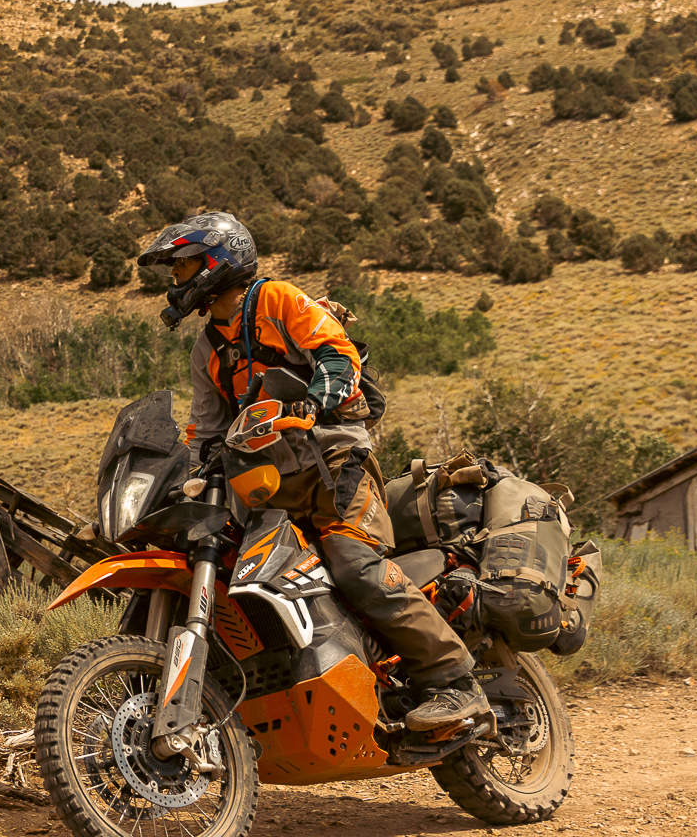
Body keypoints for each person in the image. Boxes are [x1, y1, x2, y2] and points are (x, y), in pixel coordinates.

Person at [135, 212, 488, 732]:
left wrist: (318, 400)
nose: (175, 278)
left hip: (336, 465)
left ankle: (454, 682)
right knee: (242, 577)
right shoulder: (207, 349)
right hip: (270, 489)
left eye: (182, 265)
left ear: (216, 261)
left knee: (354, 564)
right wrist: (175, 482)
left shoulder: (277, 300)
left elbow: (337, 355)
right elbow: (205, 432)